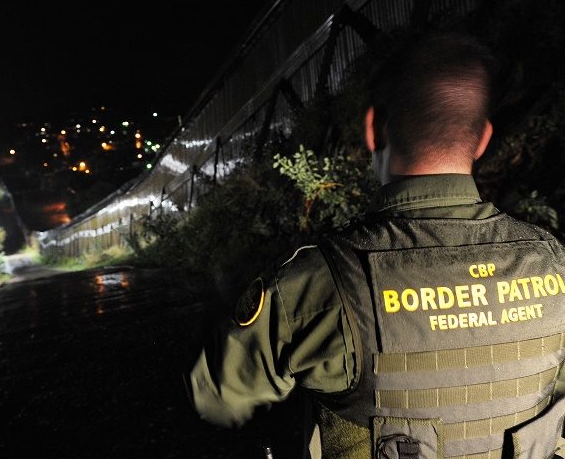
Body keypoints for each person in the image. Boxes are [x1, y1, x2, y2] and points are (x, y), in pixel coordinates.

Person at [185, 31, 565, 458]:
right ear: (482, 138)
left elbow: (216, 397)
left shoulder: (322, 280)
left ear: (372, 130)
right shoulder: (553, 261)